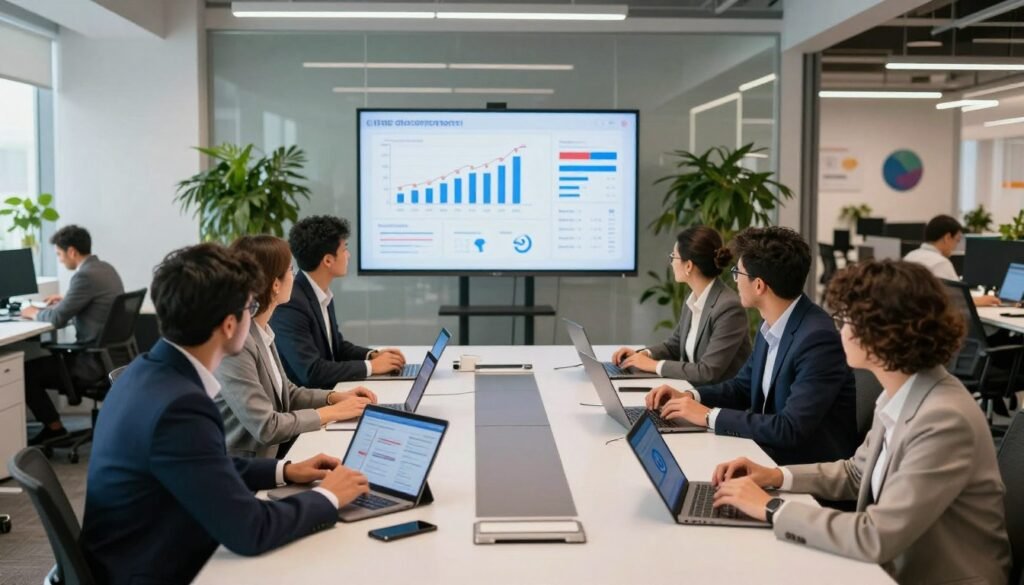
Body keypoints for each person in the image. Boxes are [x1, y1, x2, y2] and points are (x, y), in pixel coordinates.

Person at [81, 244, 370, 585]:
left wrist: (284, 470)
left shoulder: (146, 371)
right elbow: (251, 530)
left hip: (133, 551)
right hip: (155, 569)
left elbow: (203, 463)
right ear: (230, 325)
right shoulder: (180, 406)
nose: (254, 314)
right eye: (250, 307)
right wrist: (328, 496)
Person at [709, 260, 1010, 585]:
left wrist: (772, 508)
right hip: (890, 563)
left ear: (884, 334)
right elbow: (856, 472)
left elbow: (875, 536)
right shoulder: (900, 392)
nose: (840, 331)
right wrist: (775, 475)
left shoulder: (944, 420)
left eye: (847, 320)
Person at [645, 226, 858, 465]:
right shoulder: (772, 324)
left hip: (801, 468)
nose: (735, 280)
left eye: (738, 273)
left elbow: (790, 428)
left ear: (759, 285)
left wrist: (707, 416)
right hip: (765, 451)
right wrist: (691, 396)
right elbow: (741, 388)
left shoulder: (817, 339)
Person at [215, 235, 378, 459]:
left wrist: (334, 397)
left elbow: (287, 394)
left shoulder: (261, 330)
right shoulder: (238, 345)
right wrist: (331, 413)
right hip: (245, 469)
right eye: (290, 270)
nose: (295, 276)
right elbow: (267, 426)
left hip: (271, 458)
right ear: (275, 285)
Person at [271, 215, 405, 388]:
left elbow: (337, 348)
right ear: (328, 260)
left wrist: (372, 355)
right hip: (308, 400)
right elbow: (311, 372)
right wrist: (371, 367)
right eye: (344, 250)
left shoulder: (319, 293)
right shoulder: (291, 304)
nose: (348, 255)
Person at [19, 225, 124, 444]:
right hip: (110, 359)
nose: (59, 260)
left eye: (59, 254)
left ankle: (55, 429)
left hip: (90, 364)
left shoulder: (84, 276)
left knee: (26, 372)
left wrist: (32, 312)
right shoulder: (105, 269)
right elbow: (94, 306)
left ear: (72, 252)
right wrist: (66, 299)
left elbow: (57, 319)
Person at [612, 226, 751, 384]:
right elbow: (674, 345)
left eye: (674, 257)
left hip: (718, 396)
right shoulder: (693, 298)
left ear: (688, 266)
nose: (671, 263)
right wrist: (644, 354)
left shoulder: (728, 307)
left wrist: (654, 365)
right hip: (691, 390)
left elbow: (707, 371)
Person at [903, 214, 1000, 307]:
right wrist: (981, 300)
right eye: (957, 240)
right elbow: (958, 300)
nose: (955, 247)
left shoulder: (910, 256)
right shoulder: (940, 262)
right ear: (947, 237)